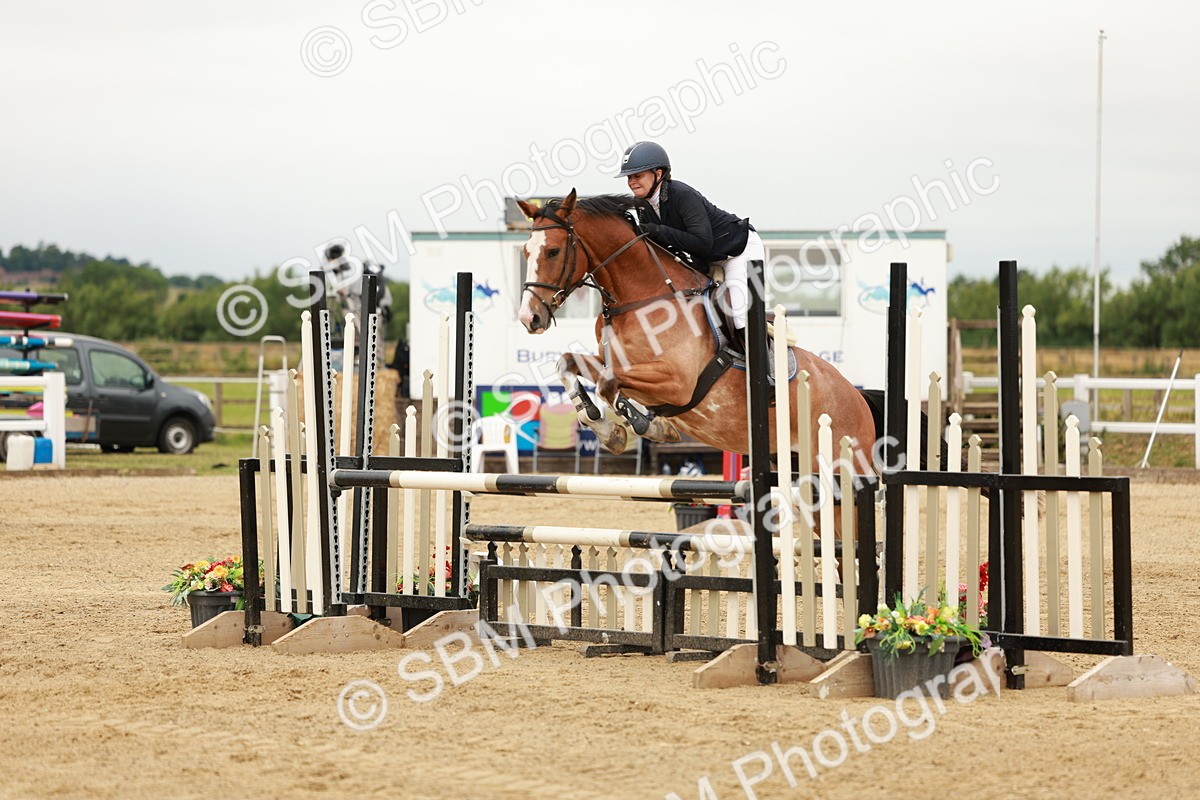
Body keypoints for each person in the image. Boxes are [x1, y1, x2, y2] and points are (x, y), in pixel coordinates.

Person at [617, 141, 762, 349]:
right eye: (629, 177)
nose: (631, 182)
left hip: (739, 251)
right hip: (704, 259)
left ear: (658, 174)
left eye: (637, 175)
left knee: (739, 317)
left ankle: (768, 367)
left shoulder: (682, 194)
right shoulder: (642, 204)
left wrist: (659, 231)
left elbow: (702, 242)